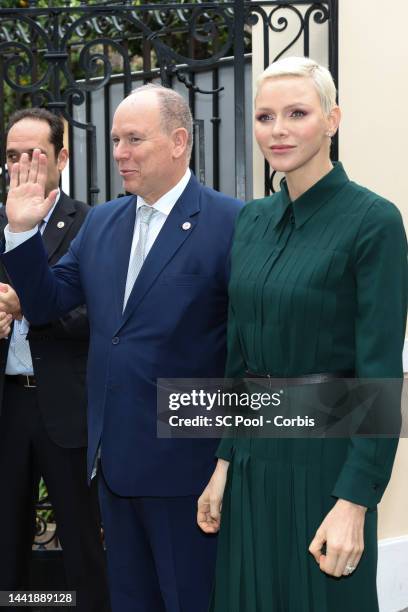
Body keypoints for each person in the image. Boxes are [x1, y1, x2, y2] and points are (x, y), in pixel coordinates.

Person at [0, 85, 243, 612]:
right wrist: (20, 233)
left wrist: (225, 458)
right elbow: (46, 305)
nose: (119, 153)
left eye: (134, 139)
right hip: (112, 464)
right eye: (114, 140)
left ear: (180, 141)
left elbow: (244, 348)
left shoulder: (231, 223)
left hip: (187, 469)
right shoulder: (104, 223)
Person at [197, 56, 407, 612]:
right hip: (251, 464)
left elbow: (381, 374)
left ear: (332, 120)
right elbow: (237, 357)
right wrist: (222, 466)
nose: (279, 130)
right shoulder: (252, 221)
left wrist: (354, 501)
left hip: (325, 466)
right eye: (265, 117)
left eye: (297, 113)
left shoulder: (374, 221)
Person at [0, 108, 110, 611]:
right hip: (8, 406)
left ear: (62, 157)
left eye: (35, 153)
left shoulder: (92, 224)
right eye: (12, 155)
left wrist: (30, 308)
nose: (23, 164)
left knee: (80, 539)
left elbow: (101, 315)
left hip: (67, 405)